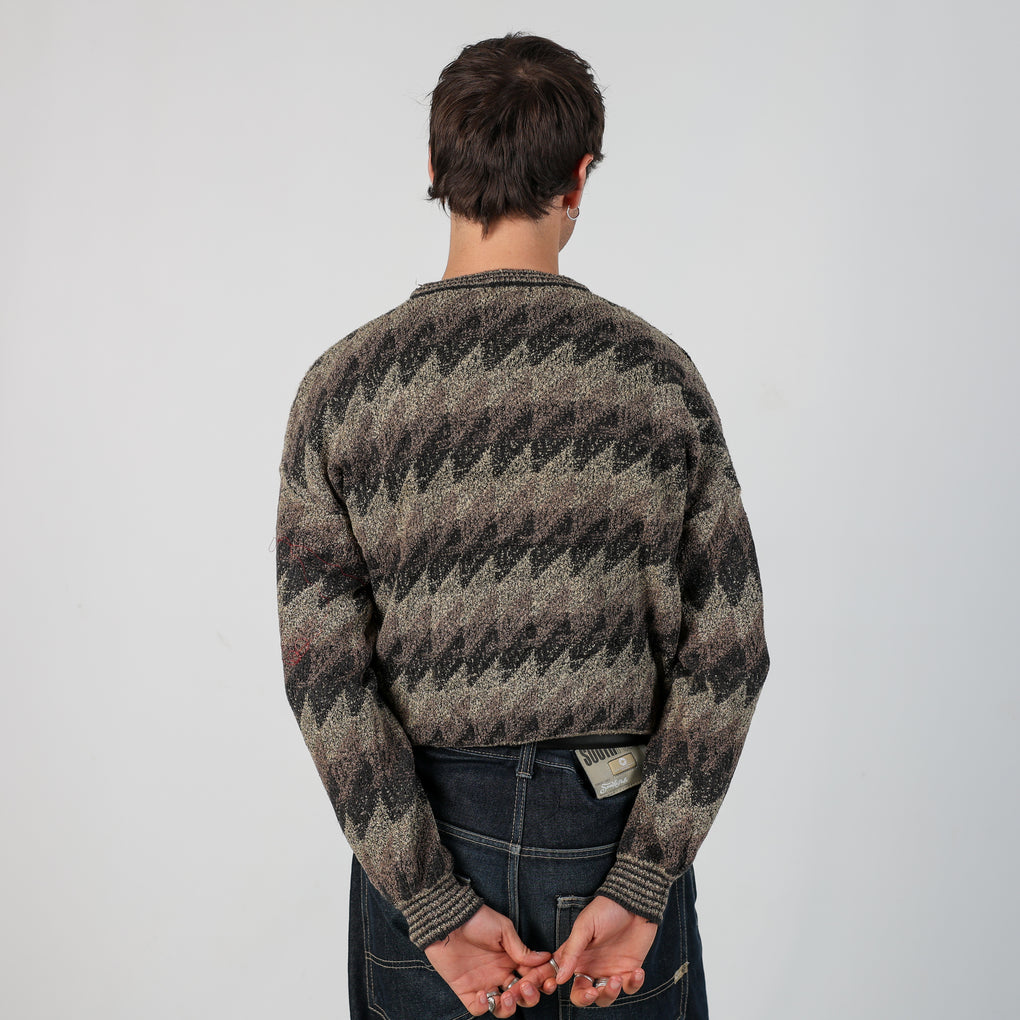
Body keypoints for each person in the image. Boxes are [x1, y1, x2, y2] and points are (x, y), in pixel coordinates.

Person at [274, 32, 769, 1019]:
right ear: (580, 177)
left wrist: (427, 895)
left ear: (434, 167)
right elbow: (730, 649)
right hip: (612, 824)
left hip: (423, 828)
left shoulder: (344, 391)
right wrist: (645, 875)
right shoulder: (655, 379)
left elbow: (324, 675)